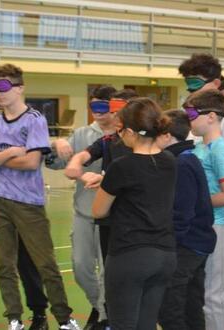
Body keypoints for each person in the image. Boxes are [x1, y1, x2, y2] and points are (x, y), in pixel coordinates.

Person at [0, 63, 80, 330]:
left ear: (20, 88)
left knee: (46, 264)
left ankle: (64, 319)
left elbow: (32, 163)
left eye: (4, 87)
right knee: (4, 265)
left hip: (28, 203)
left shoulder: (35, 119)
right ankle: (13, 318)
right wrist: (11, 152)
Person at [91, 97, 177, 329]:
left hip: (130, 255)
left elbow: (99, 210)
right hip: (164, 254)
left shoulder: (121, 166)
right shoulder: (169, 161)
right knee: (146, 324)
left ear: (129, 131)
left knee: (124, 324)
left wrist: (104, 182)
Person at [47, 85, 117, 329]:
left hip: (113, 216)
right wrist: (56, 144)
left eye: (103, 106)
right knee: (80, 267)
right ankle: (100, 308)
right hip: (84, 213)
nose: (97, 111)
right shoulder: (81, 135)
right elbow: (55, 163)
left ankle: (104, 315)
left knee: (109, 272)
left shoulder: (125, 136)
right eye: (93, 106)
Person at [184, 89, 224, 330]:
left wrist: (195, 201)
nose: (190, 120)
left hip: (219, 226)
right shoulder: (199, 147)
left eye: (193, 114)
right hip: (206, 225)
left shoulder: (218, 149)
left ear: (212, 116)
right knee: (217, 290)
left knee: (213, 294)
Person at [157, 109, 217, 330]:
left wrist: (169, 244)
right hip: (196, 243)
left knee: (170, 308)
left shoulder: (180, 163)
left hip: (186, 245)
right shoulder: (186, 158)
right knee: (191, 305)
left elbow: (182, 212)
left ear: (166, 135)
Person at [178, 53, 224, 174]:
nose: (192, 91)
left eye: (197, 84)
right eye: (189, 86)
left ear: (216, 84)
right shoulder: (186, 112)